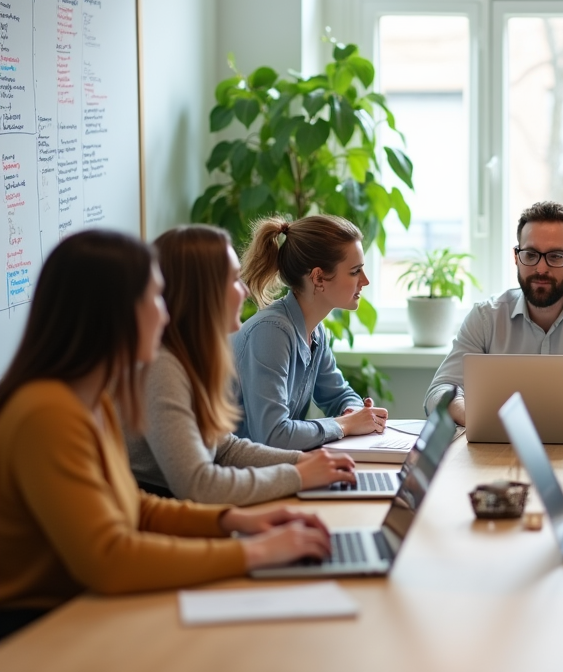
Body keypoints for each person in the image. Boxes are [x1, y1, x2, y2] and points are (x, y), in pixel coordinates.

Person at [0, 230, 332, 641]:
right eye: (155, 298)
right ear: (114, 312)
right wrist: (253, 551)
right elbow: (110, 557)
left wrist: (237, 520)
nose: (164, 313)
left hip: (79, 609)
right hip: (35, 629)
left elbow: (135, 508)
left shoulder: (92, 399)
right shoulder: (46, 413)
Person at [126, 225, 358, 505]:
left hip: (181, 501)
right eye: (233, 280)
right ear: (202, 292)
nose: (245, 292)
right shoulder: (163, 366)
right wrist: (300, 474)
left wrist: (304, 462)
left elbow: (225, 449)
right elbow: (199, 485)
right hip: (154, 503)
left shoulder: (194, 356)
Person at [425, 201, 563, 427]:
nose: (541, 268)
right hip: (499, 450)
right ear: (516, 256)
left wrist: (552, 419)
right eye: (531, 254)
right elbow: (439, 391)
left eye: (555, 256)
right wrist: (474, 416)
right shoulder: (486, 317)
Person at [233, 214, 388, 450]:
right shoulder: (271, 332)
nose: (365, 281)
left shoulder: (315, 331)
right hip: (216, 475)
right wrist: (345, 424)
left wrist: (355, 411)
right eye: (355, 271)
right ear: (318, 277)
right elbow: (272, 437)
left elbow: (338, 394)